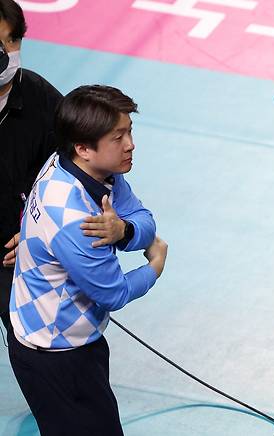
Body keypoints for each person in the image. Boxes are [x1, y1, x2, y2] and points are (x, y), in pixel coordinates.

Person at [8, 85, 168, 436]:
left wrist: (124, 231)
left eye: (129, 131)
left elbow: (142, 218)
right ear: (84, 147)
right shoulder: (75, 222)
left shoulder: (81, 167)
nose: (130, 144)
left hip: (68, 339)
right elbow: (114, 293)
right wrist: (155, 264)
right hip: (57, 354)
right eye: (118, 137)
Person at [0, 0, 62, 330]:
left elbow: (76, 176)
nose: (6, 52)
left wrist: (36, 234)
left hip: (18, 256)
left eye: (12, 40)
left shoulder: (42, 100)